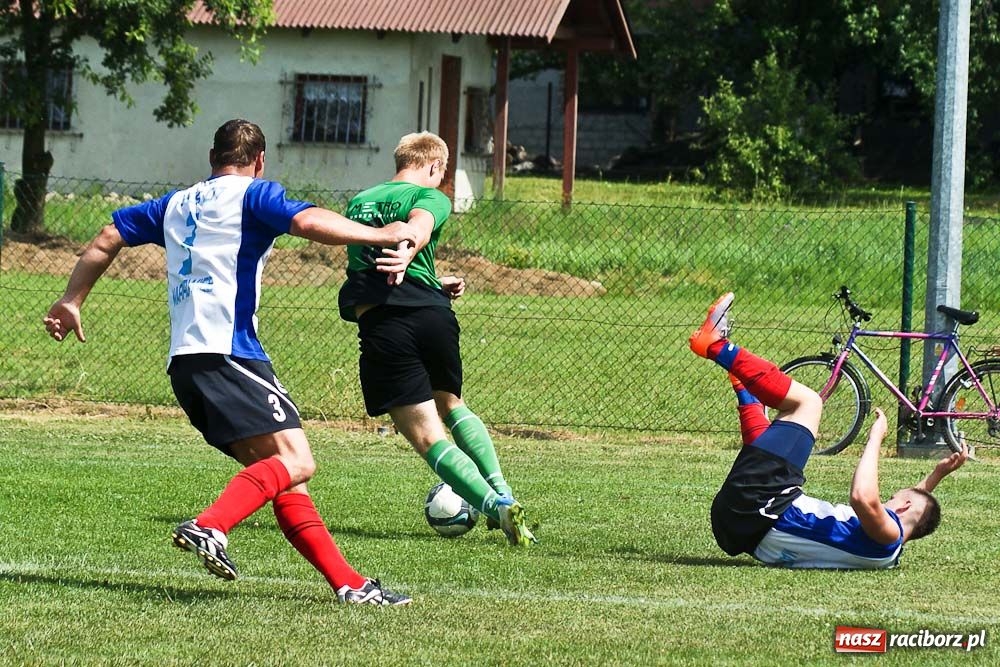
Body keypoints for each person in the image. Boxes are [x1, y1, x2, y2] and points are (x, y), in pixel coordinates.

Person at [43, 119, 417, 604]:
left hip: (186, 366)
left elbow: (105, 237)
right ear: (259, 161)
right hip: (229, 353)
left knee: (282, 483)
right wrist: (378, 234)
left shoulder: (174, 204)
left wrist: (72, 299)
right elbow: (306, 222)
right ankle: (210, 525)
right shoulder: (255, 194)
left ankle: (351, 586)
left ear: (211, 157)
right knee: (297, 461)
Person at [336, 131, 536, 546]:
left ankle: (495, 508)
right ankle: (505, 492)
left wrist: (409, 252)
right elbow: (419, 225)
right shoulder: (434, 196)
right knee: (451, 404)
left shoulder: (360, 201)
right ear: (434, 166)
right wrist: (419, 264)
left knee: (428, 435)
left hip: (385, 323)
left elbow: (395, 246)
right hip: (432, 316)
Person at [689, 292, 969, 569]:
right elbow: (913, 504)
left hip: (760, 508)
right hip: (742, 528)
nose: (887, 500)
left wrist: (875, 438)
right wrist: (937, 475)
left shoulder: (888, 536)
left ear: (904, 507)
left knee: (808, 403)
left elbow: (863, 498)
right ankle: (743, 386)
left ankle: (715, 345)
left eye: (894, 498)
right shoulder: (888, 552)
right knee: (777, 464)